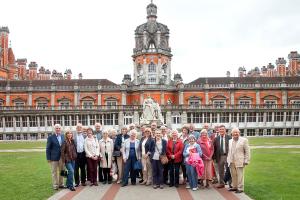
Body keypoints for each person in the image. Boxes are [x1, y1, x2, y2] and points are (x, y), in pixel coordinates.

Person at [227, 128, 250, 193]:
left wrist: (246, 160)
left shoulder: (244, 140)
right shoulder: (230, 141)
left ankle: (240, 188)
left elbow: (247, 151)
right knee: (233, 175)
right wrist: (228, 159)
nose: (235, 134)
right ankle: (234, 187)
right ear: (232, 134)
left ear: (239, 133)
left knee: (240, 175)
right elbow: (229, 151)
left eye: (237, 132)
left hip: (240, 160)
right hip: (231, 160)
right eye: (234, 132)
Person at [46, 124, 65, 190]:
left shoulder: (63, 136)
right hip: (53, 158)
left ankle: (61, 184)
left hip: (62, 158)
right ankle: (55, 185)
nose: (58, 129)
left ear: (61, 129)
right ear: (54, 129)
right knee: (54, 172)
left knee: (62, 171)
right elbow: (48, 148)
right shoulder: (50, 137)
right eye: (56, 128)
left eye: (59, 128)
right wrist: (48, 158)